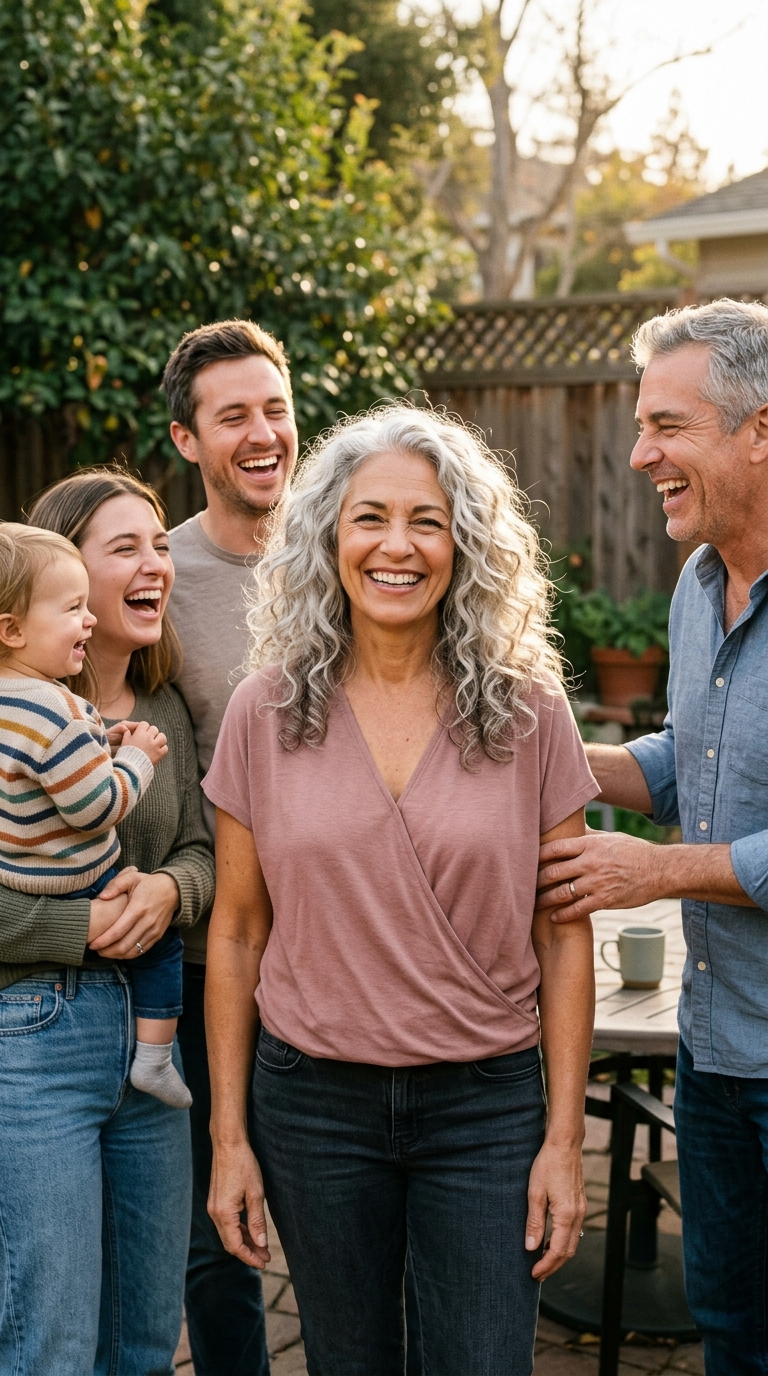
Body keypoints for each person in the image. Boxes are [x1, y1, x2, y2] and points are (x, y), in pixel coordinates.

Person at [203, 405, 598, 1376]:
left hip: (485, 1107)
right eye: (370, 517)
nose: (397, 545)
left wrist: (563, 1139)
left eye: (428, 521)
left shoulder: (528, 707)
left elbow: (563, 933)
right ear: (327, 536)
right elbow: (239, 932)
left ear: (466, 546)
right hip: (312, 1106)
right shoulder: (265, 708)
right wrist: (228, 1135)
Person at [536, 299, 768, 1375]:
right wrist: (546, 756)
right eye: (641, 428)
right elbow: (692, 760)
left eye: (667, 426)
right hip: (715, 1051)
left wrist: (656, 870)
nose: (640, 456)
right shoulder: (698, 584)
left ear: (759, 428)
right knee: (732, 1327)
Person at [0, 468, 214, 1373]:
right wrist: (76, 928)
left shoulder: (165, 710)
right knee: (51, 1340)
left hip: (152, 1038)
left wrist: (169, 892)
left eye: (160, 544)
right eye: (125, 548)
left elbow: (201, 850)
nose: (155, 564)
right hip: (36, 1031)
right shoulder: (15, 716)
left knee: (144, 1337)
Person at [163, 319, 298, 1376]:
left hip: (350, 942)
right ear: (187, 439)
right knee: (220, 1235)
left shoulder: (353, 547)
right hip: (217, 946)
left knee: (360, 1216)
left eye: (275, 408)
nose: (262, 434)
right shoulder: (158, 577)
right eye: (233, 416)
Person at [0, 522, 192, 1110]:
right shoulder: (55, 708)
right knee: (162, 950)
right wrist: (136, 760)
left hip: (21, 876)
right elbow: (96, 808)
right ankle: (155, 1057)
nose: (87, 620)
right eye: (73, 608)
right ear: (13, 630)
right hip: (80, 887)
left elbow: (35, 773)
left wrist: (98, 744)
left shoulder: (14, 705)